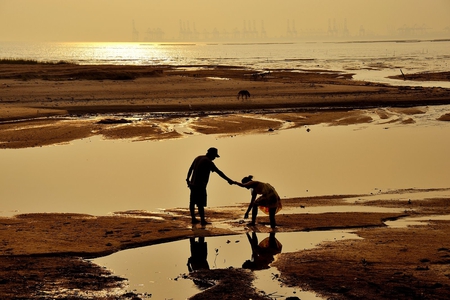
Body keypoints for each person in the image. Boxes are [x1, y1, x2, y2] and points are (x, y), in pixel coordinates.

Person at [186, 147, 234, 225]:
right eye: (214, 156)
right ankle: (202, 220)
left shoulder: (198, 158)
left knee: (192, 202)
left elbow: (190, 169)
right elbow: (219, 172)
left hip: (193, 184)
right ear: (211, 154)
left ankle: (193, 219)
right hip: (200, 185)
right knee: (200, 203)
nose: (214, 158)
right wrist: (229, 180)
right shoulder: (208, 161)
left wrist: (187, 179)